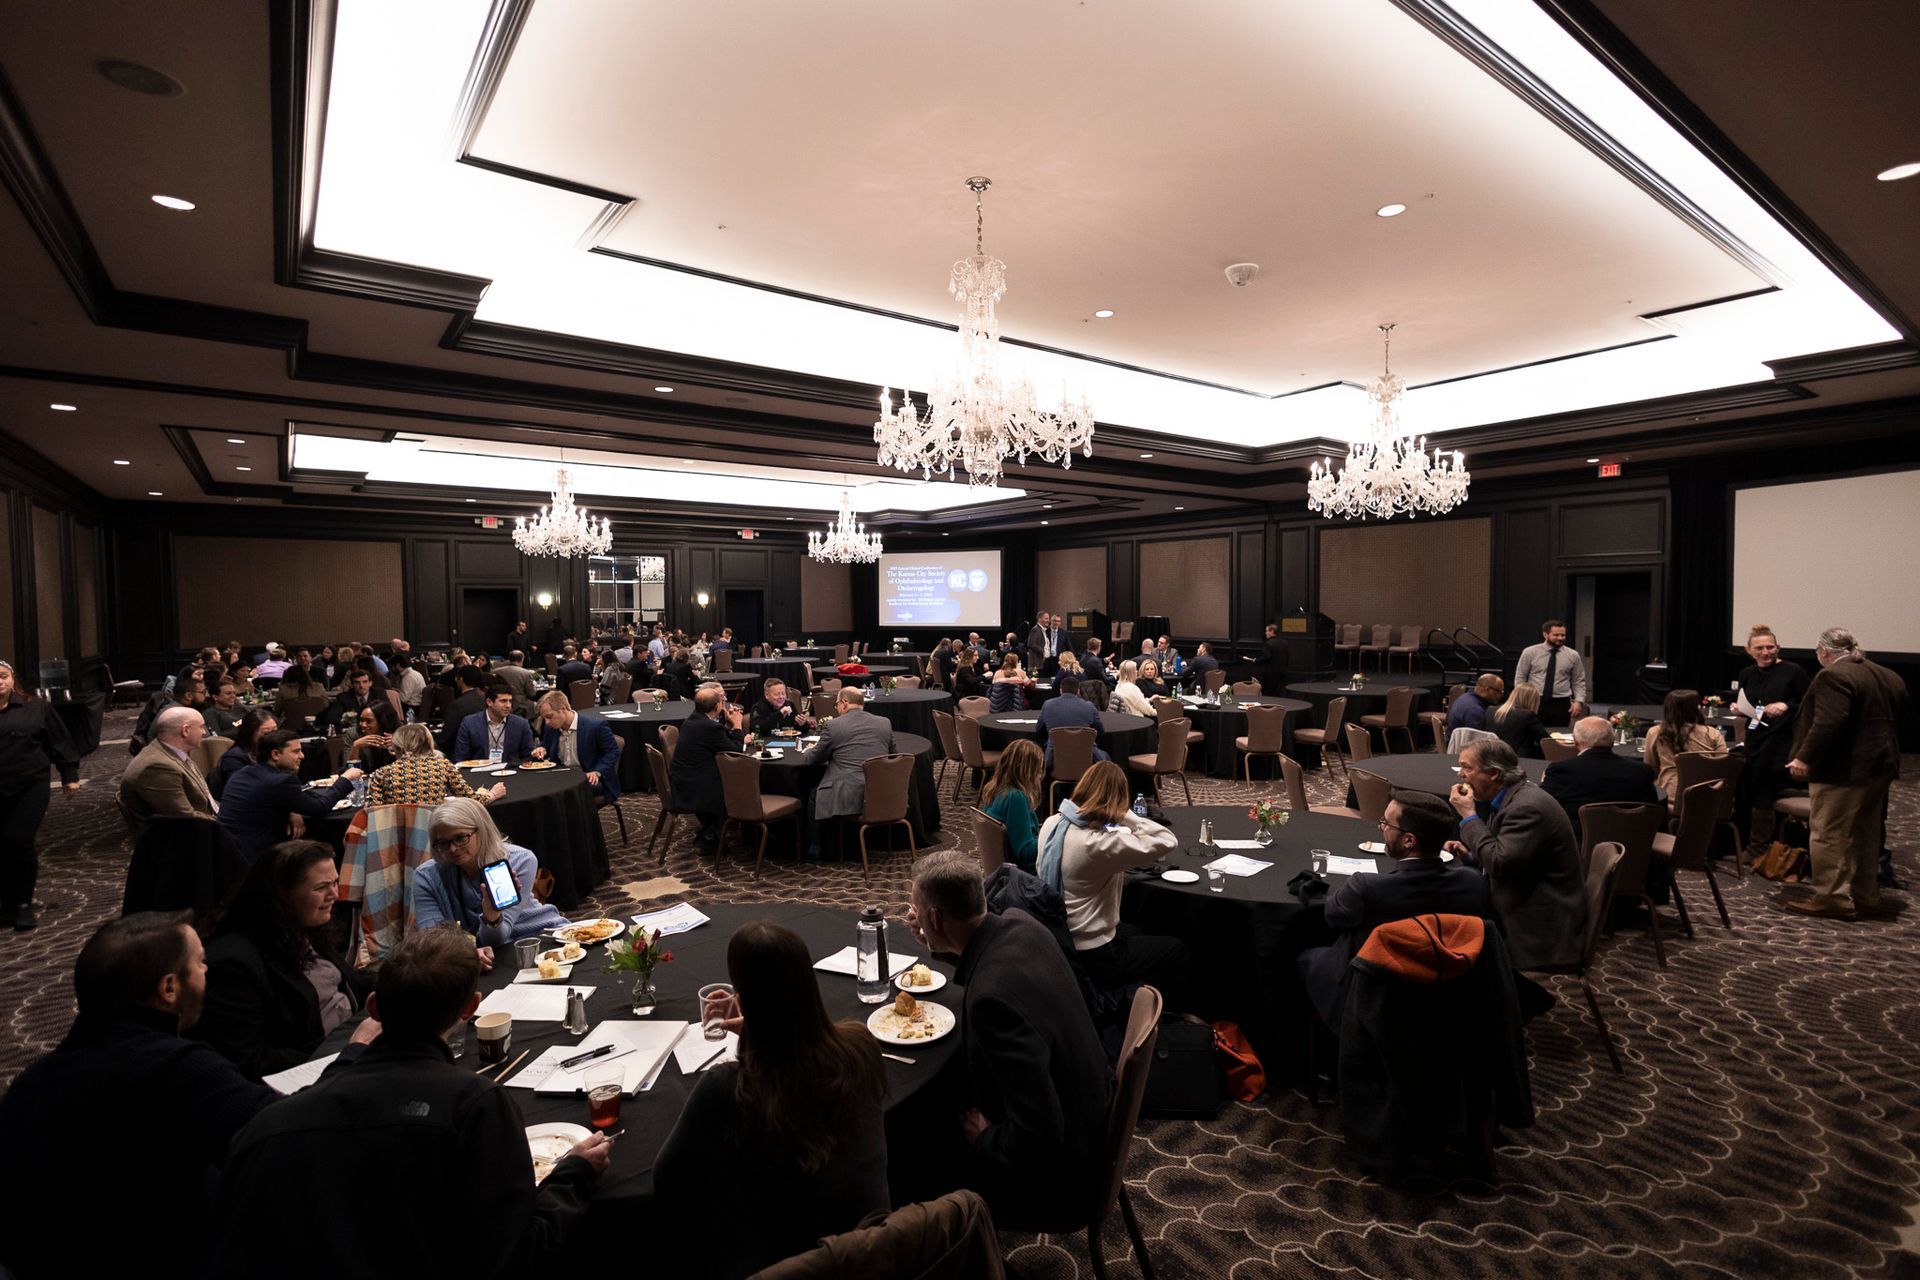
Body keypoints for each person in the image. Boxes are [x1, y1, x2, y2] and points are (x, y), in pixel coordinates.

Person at [207, 924, 608, 1276]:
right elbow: (513, 1255)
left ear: (374, 1007)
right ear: (470, 1009)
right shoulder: (474, 1107)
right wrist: (574, 1175)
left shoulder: (269, 1125)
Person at [0, 913, 283, 1279]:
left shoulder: (32, 1080)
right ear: (169, 988)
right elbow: (285, 1134)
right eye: (200, 963)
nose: (207, 971)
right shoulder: (180, 1069)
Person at [656, 921, 889, 1277]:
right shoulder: (862, 1046)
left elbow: (667, 1181)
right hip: (879, 1252)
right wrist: (754, 1026)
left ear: (743, 994)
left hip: (790, 1268)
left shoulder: (729, 1087)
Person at [906, 851, 1111, 1230]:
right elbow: (986, 959)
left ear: (934, 916)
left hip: (1064, 1179)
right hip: (1093, 1119)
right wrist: (937, 941)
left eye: (918, 911)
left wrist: (985, 1139)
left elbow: (1040, 1135)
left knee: (916, 1153)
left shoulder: (991, 1002)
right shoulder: (1022, 924)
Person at [1298, 791, 1494, 1026]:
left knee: (1302, 956)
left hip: (1373, 987)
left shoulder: (1366, 887)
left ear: (1409, 841)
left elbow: (1332, 918)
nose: (1381, 828)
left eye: (1386, 823)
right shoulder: (1473, 882)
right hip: (1449, 989)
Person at [190, 841, 359, 1079]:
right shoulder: (233, 964)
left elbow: (349, 980)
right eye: (321, 887)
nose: (335, 894)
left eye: (335, 882)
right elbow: (250, 1063)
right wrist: (349, 1048)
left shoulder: (303, 925)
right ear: (281, 895)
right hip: (317, 1071)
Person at [1782, 627, 1909, 921]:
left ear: (1824, 653)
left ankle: (1832, 897)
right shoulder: (1888, 675)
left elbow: (1830, 721)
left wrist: (1804, 757)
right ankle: (1867, 896)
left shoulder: (1833, 675)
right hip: (1881, 767)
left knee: (1829, 833)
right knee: (1866, 832)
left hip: (1843, 771)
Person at [1039, 761, 1186, 995]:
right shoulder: (1098, 844)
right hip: (1095, 953)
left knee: (1143, 929)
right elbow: (1167, 841)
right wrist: (1127, 816)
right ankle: (1153, 1013)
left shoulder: (1051, 824)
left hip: (1056, 937)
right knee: (1176, 948)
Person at [1446, 738, 1587, 969]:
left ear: (1493, 773)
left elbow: (1499, 864)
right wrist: (1471, 856)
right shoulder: (1514, 795)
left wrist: (1468, 816)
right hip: (1525, 896)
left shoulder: (1527, 808)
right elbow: (1505, 854)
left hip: (1539, 922)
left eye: (1467, 768)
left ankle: (1506, 996)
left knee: (1449, 917)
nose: (1460, 774)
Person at [413, 796, 570, 948]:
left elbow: (497, 938)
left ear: (481, 831)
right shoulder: (427, 877)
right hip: (474, 954)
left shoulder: (519, 860)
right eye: (443, 843)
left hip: (538, 936)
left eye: (460, 838)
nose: (453, 848)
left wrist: (492, 917)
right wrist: (465, 954)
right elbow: (432, 940)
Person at [0, 660, 80, 930]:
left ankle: (22, 904)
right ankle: (6, 904)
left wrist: (69, 774)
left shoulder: (36, 707)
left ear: (13, 680)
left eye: (3, 677)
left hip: (29, 786)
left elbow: (58, 740)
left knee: (18, 839)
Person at [217, 730, 359, 861]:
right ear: (275, 755)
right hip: (256, 856)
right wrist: (345, 780)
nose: (302, 756)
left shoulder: (243, 773)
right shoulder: (280, 781)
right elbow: (320, 808)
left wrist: (292, 810)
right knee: (328, 844)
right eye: (296, 751)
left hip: (227, 852)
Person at [1732, 624, 1810, 858]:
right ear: (1749, 650)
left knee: (1762, 785)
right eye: (1760, 648)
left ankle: (1758, 848)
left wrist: (1786, 705)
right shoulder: (1746, 674)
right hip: (1755, 736)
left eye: (1770, 647)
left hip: (1783, 739)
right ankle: (1747, 842)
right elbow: (1754, 708)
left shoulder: (1793, 671)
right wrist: (1740, 710)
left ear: (1778, 648)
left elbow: (1809, 704)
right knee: (1745, 783)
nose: (1766, 652)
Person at [1542, 715, 1660, 843]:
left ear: (1575, 741)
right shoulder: (1642, 772)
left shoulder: (1561, 771)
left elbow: (1542, 808)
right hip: (1631, 843)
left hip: (1578, 846)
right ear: (1612, 740)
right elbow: (1654, 813)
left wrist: (1544, 782)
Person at [810, 687, 897, 839]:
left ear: (844, 702)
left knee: (813, 794)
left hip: (848, 795)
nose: (836, 709)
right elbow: (895, 756)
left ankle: (817, 846)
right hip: (880, 792)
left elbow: (814, 759)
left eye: (836, 704)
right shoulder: (884, 722)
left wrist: (809, 750)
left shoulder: (834, 725)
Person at [119, 704, 219, 834]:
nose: (204, 732)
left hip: (201, 825)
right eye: (201, 727)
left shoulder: (171, 752)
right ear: (186, 730)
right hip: (184, 841)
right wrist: (228, 822)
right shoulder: (157, 767)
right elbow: (184, 819)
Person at [672, 686, 747, 853]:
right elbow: (734, 751)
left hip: (682, 779)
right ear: (717, 707)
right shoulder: (710, 727)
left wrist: (728, 726)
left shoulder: (693, 720)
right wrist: (737, 726)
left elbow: (718, 742)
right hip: (696, 787)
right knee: (739, 784)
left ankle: (713, 831)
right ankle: (713, 834)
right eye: (722, 700)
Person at [367, 722, 505, 806]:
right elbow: (472, 800)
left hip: (396, 841)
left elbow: (373, 815)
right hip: (436, 837)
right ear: (429, 743)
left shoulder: (380, 774)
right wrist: (492, 794)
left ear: (397, 746)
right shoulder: (442, 765)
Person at [533, 689, 622, 804]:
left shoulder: (595, 726)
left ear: (563, 709)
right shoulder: (551, 729)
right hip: (562, 776)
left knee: (562, 792)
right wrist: (542, 749)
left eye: (549, 716)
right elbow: (546, 745)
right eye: (544, 718)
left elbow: (612, 752)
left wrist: (596, 771)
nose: (547, 722)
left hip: (589, 777)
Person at [1642, 688, 1728, 797]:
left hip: (1669, 797)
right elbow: (1723, 766)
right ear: (1696, 708)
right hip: (1706, 797)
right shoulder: (1712, 733)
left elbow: (1649, 768)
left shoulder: (1655, 733)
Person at [979, 738, 1044, 871]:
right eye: (1038, 770)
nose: (1040, 776)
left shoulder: (993, 789)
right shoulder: (1015, 798)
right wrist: (1053, 838)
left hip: (1002, 870)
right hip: (1023, 875)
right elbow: (1025, 853)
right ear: (1027, 771)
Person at [1512, 619, 1588, 726]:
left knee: (1559, 735)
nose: (1560, 638)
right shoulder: (1530, 652)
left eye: (1563, 635)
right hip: (1535, 700)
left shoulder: (1573, 655)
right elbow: (1520, 677)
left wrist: (1579, 701)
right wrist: (1520, 699)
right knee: (1532, 733)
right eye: (1556, 635)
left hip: (1561, 702)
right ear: (1545, 634)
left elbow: (1579, 680)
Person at [1037, 672, 1109, 769]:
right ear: (1078, 691)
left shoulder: (1047, 705)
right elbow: (1100, 731)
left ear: (1060, 691)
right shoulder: (1089, 707)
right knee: (1106, 756)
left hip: (1055, 762)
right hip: (1086, 763)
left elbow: (1039, 729)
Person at [452, 682, 536, 763]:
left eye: (510, 701)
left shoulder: (521, 724)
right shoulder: (469, 723)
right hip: (479, 773)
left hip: (511, 772)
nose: (508, 705)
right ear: (489, 702)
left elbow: (528, 756)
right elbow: (461, 758)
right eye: (503, 701)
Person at [216, 710, 277, 797]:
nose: (273, 736)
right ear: (249, 733)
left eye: (275, 731)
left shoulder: (273, 751)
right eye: (266, 733)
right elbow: (243, 790)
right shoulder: (233, 757)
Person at [1487, 682, 1551, 759]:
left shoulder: (1490, 710)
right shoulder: (1527, 715)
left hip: (1490, 756)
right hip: (1518, 759)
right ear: (1533, 700)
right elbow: (1547, 741)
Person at [436, 664, 489, 756]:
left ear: (461, 679)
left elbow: (446, 737)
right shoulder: (487, 698)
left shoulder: (458, 704)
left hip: (462, 752)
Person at [348, 699, 403, 772]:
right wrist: (356, 747)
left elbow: (409, 765)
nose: (363, 725)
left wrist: (398, 747)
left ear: (382, 721)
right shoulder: (354, 734)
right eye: (361, 720)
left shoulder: (400, 734)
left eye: (369, 721)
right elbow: (349, 770)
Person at [317, 668, 377, 734]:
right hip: (352, 733)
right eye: (357, 682)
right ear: (351, 684)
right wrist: (346, 721)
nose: (361, 686)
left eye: (365, 682)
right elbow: (331, 718)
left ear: (370, 683)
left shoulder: (379, 694)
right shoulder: (343, 697)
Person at [749, 677, 814, 737]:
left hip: (788, 742)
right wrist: (779, 714)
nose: (781, 697)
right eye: (777, 694)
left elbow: (797, 730)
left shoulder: (789, 705)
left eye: (783, 693)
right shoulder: (758, 708)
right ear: (767, 695)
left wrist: (803, 724)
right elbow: (758, 729)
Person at [1446, 673, 1505, 737]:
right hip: (1461, 746)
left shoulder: (1464, 697)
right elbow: (1475, 743)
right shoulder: (1475, 711)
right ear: (1487, 689)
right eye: (1499, 692)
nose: (1501, 696)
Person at [1254, 623, 1289, 695]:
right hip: (1282, 673)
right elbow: (1287, 657)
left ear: (1272, 631)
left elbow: (1266, 657)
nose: (1265, 633)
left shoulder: (1268, 644)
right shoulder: (1285, 643)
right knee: (1280, 693)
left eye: (1267, 631)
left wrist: (1256, 660)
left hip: (1270, 674)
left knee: (1268, 693)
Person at [389, 652, 426, 717]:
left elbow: (403, 699)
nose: (392, 670)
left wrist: (393, 693)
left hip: (411, 709)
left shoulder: (408, 677)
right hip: (417, 706)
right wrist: (397, 691)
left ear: (398, 665)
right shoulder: (415, 673)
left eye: (392, 667)